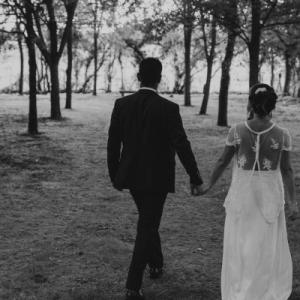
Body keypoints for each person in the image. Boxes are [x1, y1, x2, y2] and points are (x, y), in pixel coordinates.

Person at [107, 57, 204, 300]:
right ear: (159, 79)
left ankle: (157, 264)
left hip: (132, 178)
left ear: (139, 77)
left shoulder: (122, 104)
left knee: (148, 221)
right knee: (147, 225)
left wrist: (115, 175)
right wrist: (195, 176)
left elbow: (112, 144)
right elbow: (181, 144)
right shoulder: (168, 108)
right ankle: (132, 285)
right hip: (157, 179)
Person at [204, 83, 299, 300]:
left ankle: (240, 288)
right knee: (265, 244)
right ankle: (262, 289)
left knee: (240, 243)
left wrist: (209, 184)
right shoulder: (283, 135)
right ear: (272, 105)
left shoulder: (236, 131)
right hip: (270, 194)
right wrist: (292, 203)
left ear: (250, 103)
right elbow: (287, 170)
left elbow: (222, 161)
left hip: (242, 193)